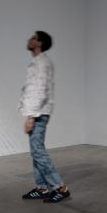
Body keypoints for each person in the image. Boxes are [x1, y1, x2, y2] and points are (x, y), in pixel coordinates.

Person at [19, 30, 70, 203]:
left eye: (33, 38)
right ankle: (42, 187)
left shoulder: (42, 63)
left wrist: (31, 117)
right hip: (36, 112)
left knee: (38, 152)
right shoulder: (38, 62)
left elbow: (40, 91)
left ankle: (60, 187)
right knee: (36, 151)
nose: (29, 39)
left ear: (39, 43)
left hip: (38, 113)